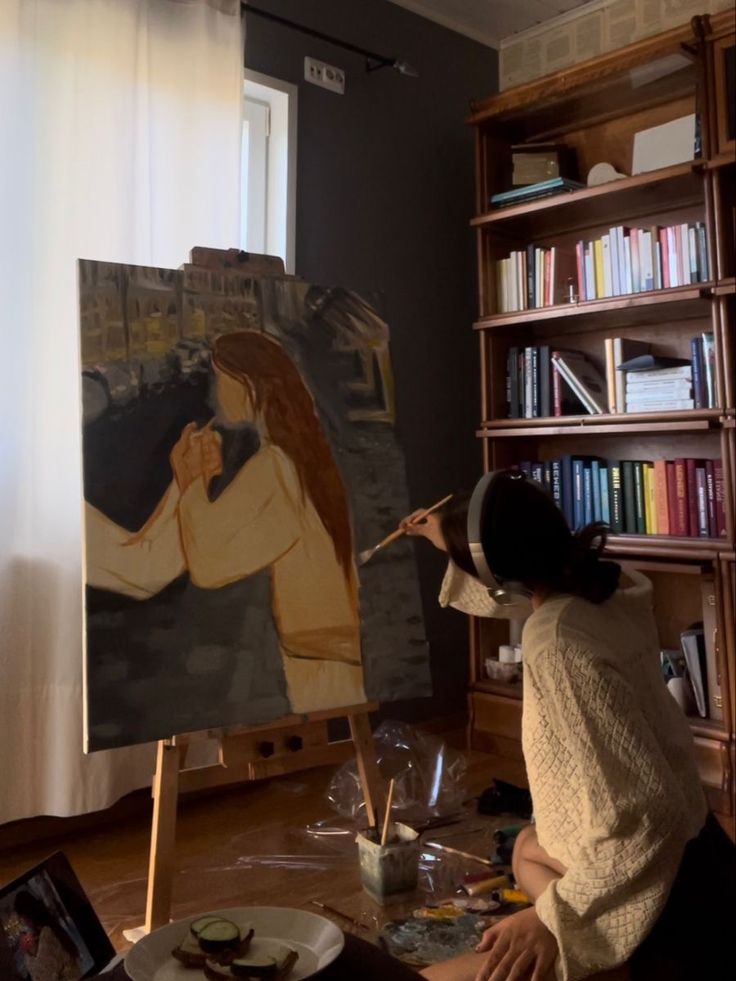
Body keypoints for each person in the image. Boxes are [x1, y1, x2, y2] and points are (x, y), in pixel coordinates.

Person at [400, 470, 735, 981]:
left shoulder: (556, 642)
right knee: (527, 848)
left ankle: (615, 959)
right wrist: (439, 532)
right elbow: (505, 592)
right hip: (703, 850)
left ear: (495, 572)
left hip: (673, 899)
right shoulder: (611, 587)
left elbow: (651, 815)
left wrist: (548, 917)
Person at [85, 330, 365, 714]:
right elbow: (187, 547)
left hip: (320, 661)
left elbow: (209, 566)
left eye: (220, 380)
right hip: (323, 654)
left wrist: (194, 483)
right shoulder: (295, 460)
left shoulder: (275, 467)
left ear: (249, 385)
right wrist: (191, 484)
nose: (214, 394)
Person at [13, 891, 81, 981]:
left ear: (26, 916)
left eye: (21, 919)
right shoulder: (49, 926)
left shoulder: (46, 934)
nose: (24, 923)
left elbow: (43, 977)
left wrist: (28, 952)